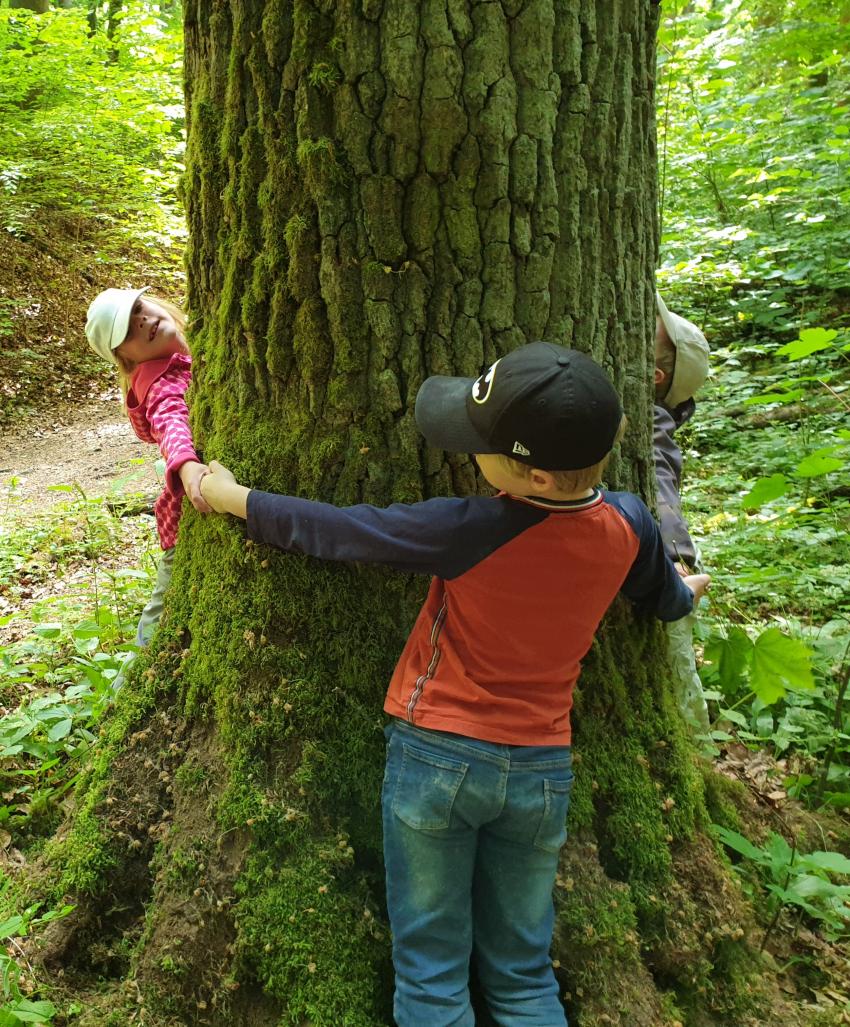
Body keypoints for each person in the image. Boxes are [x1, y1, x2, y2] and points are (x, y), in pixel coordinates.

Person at [200, 342, 709, 1027]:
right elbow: (662, 594)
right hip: (541, 771)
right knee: (524, 972)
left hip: (437, 759)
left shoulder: (471, 529)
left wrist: (230, 497)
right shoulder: (629, 523)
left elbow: (345, 530)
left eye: (482, 445)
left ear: (531, 475)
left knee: (433, 973)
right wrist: (685, 593)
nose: (469, 452)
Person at [85, 287, 210, 674]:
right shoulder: (160, 382)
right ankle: (129, 686)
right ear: (126, 359)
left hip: (205, 510)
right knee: (159, 613)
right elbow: (170, 420)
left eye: (139, 309)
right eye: (128, 330)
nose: (142, 322)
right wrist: (187, 466)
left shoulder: (198, 346)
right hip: (187, 520)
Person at [654, 292, 712, 733]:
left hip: (670, 565)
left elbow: (659, 483)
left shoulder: (653, 422)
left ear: (654, 376)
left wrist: (676, 557)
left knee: (676, 672)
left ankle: (695, 738)